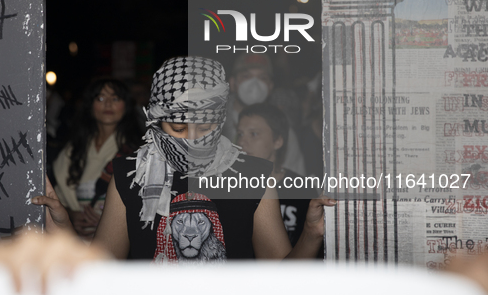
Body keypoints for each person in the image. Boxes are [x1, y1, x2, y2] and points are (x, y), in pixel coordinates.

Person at [40, 56, 335, 261]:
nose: (193, 139)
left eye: (205, 128)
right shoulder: (130, 176)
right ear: (155, 123)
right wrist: (63, 229)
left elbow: (279, 276)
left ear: (220, 122)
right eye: (178, 128)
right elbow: (102, 270)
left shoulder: (253, 175)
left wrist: (310, 234)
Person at [52, 79, 143, 238]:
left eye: (115, 98)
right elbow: (57, 198)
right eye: (100, 98)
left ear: (126, 105)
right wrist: (72, 215)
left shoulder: (137, 151)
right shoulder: (72, 150)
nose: (108, 104)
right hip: (73, 242)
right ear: (90, 106)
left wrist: (111, 220)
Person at [236, 103, 319, 248]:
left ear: (278, 141)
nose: (242, 142)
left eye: (254, 134)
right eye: (240, 134)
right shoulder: (232, 186)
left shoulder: (301, 188)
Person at [222, 54, 309, 176]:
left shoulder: (282, 131)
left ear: (270, 86)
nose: (254, 83)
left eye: (262, 78)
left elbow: (295, 183)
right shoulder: (213, 125)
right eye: (246, 76)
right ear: (232, 83)